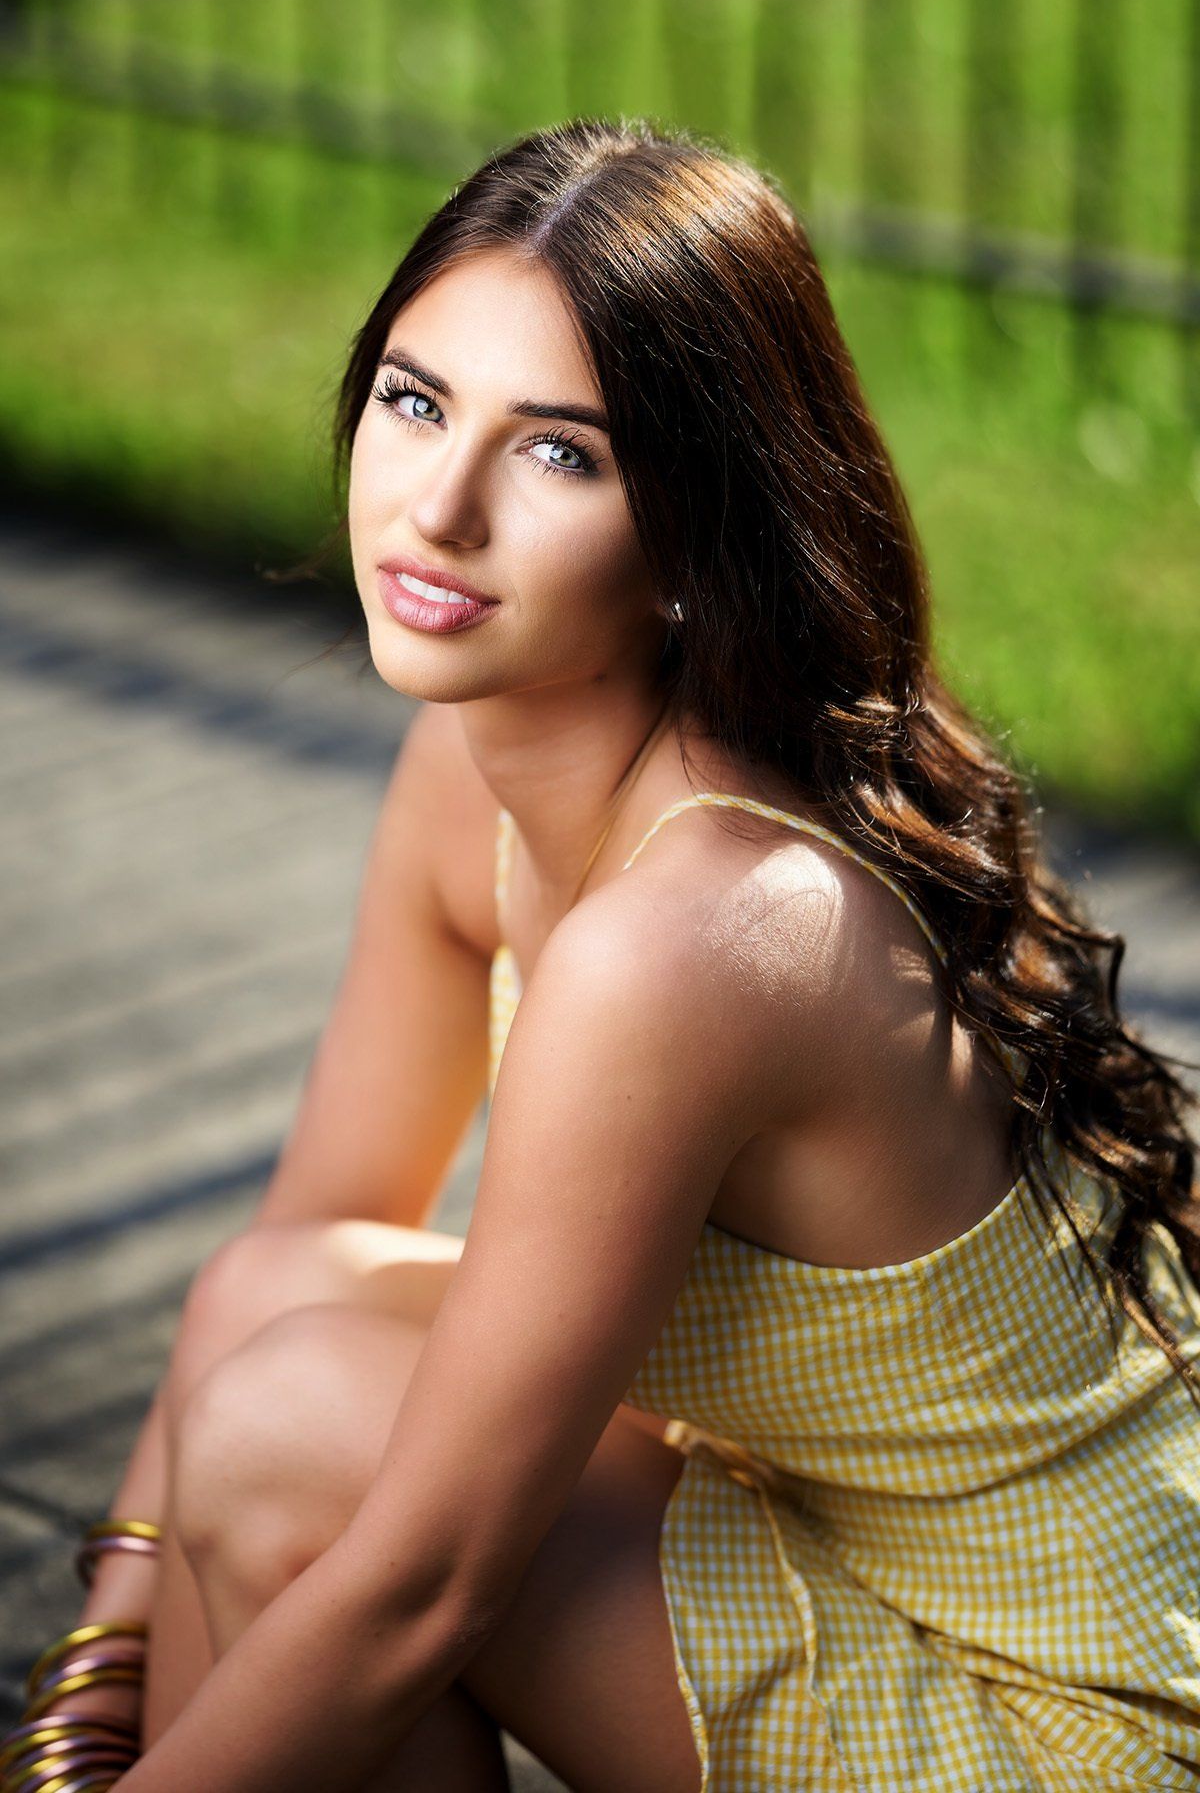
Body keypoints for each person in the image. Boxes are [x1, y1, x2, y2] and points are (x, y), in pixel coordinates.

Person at [5, 113, 1200, 1793]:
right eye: (417, 402)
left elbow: (423, 1592)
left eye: (560, 454)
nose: (439, 508)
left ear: (692, 535)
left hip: (1067, 1723)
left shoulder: (700, 929)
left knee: (307, 1448)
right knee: (273, 1306)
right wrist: (98, 1681)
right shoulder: (471, 777)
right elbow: (302, 1235)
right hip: (842, 1541)